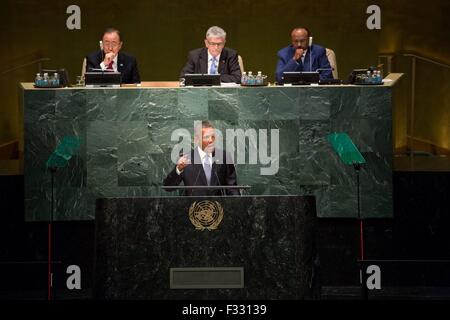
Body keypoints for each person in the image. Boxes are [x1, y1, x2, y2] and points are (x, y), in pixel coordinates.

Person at [163, 121, 240, 196]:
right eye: (206, 137)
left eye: (213, 136)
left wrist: (238, 204)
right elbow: (168, 187)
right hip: (194, 208)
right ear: (196, 139)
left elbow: (232, 188)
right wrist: (178, 169)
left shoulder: (224, 157)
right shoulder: (185, 159)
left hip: (218, 208)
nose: (211, 140)